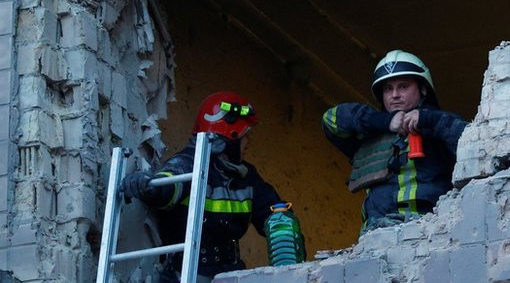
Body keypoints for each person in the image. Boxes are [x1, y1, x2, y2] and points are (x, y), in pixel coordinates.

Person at [122, 91, 303, 282]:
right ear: (229, 137)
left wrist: (284, 234)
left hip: (231, 275)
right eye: (245, 136)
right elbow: (171, 183)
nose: (248, 142)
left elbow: (273, 211)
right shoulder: (190, 163)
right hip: (185, 275)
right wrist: (151, 186)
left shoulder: (246, 176)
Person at [322, 49, 467, 232]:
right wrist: (383, 122)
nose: (395, 95)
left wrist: (428, 119)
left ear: (423, 88)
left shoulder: (440, 124)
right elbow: (330, 120)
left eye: (403, 86)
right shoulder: (370, 135)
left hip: (430, 231)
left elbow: (474, 144)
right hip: (376, 235)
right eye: (388, 89)